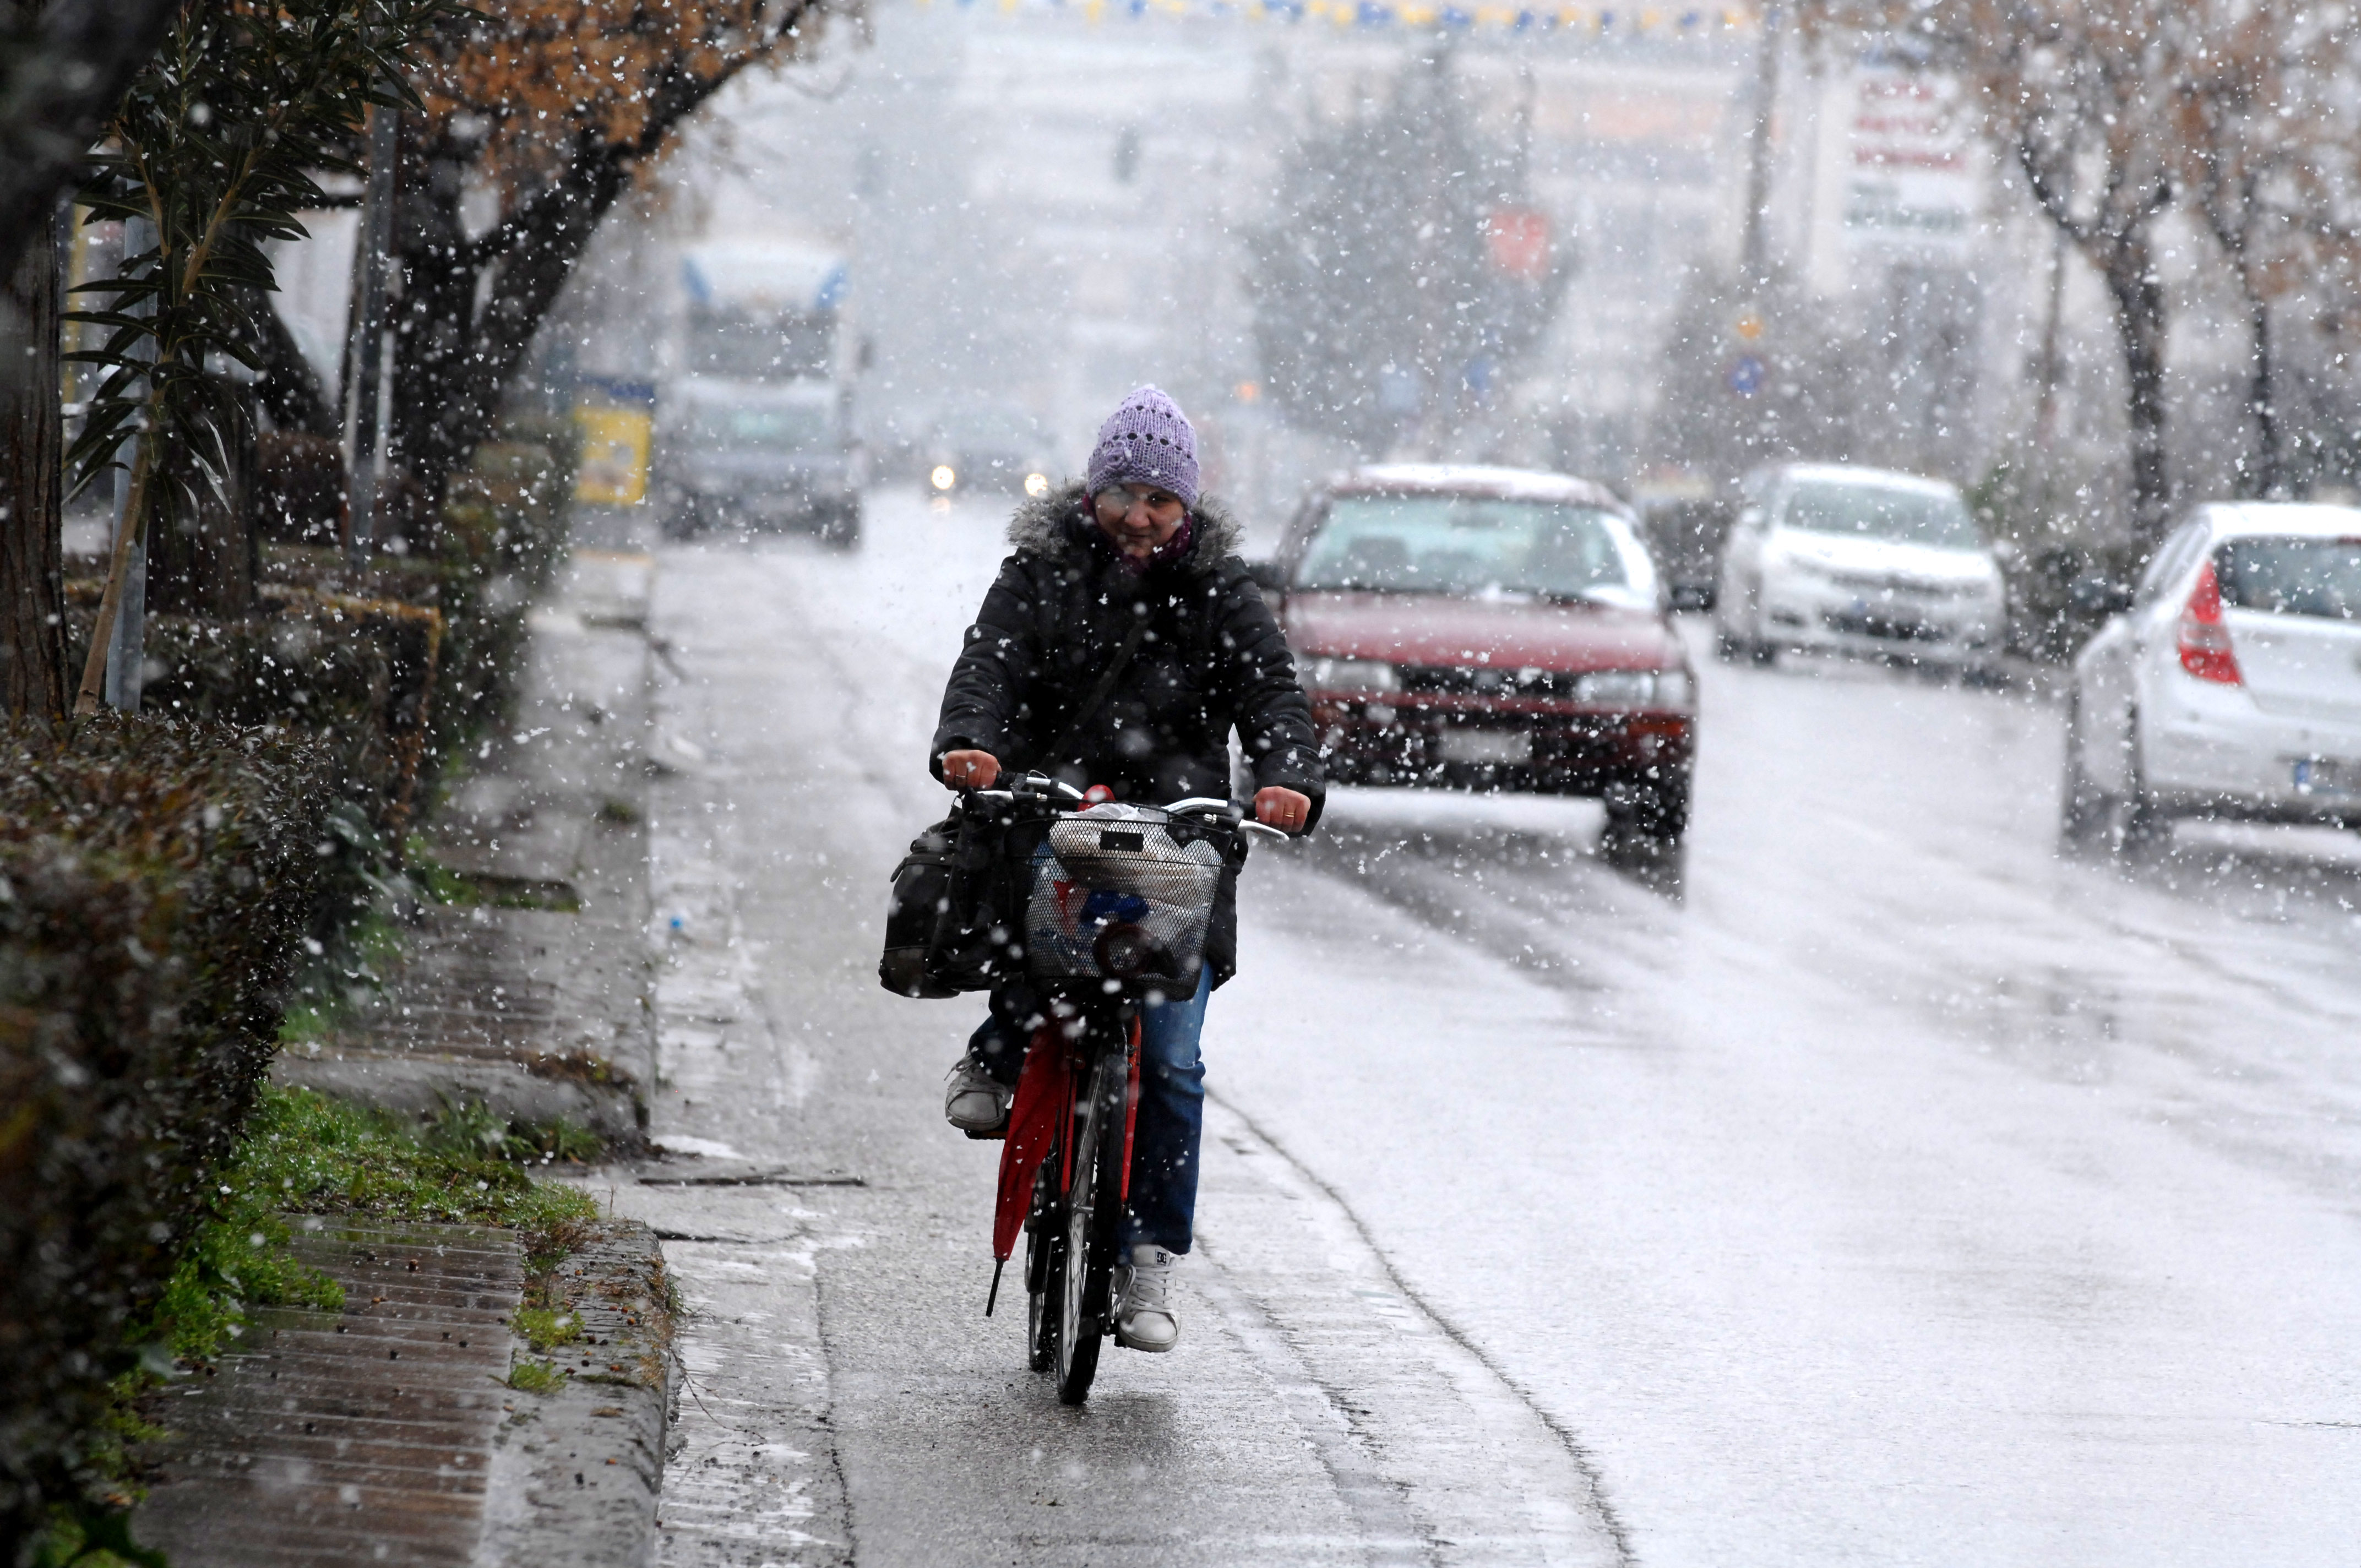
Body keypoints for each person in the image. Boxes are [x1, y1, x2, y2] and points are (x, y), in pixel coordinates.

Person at [930, 386, 1323, 1353]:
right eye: (1122, 494)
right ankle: (997, 1050)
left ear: (1187, 506)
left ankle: (1149, 1257)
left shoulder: (1222, 591)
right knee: (1032, 936)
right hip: (1059, 811)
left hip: (1181, 844)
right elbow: (987, 666)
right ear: (1091, 493)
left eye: (1159, 498)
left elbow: (1274, 693)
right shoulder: (1041, 572)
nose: (1138, 516)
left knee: (1173, 1062)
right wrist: (972, 742)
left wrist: (1286, 777)